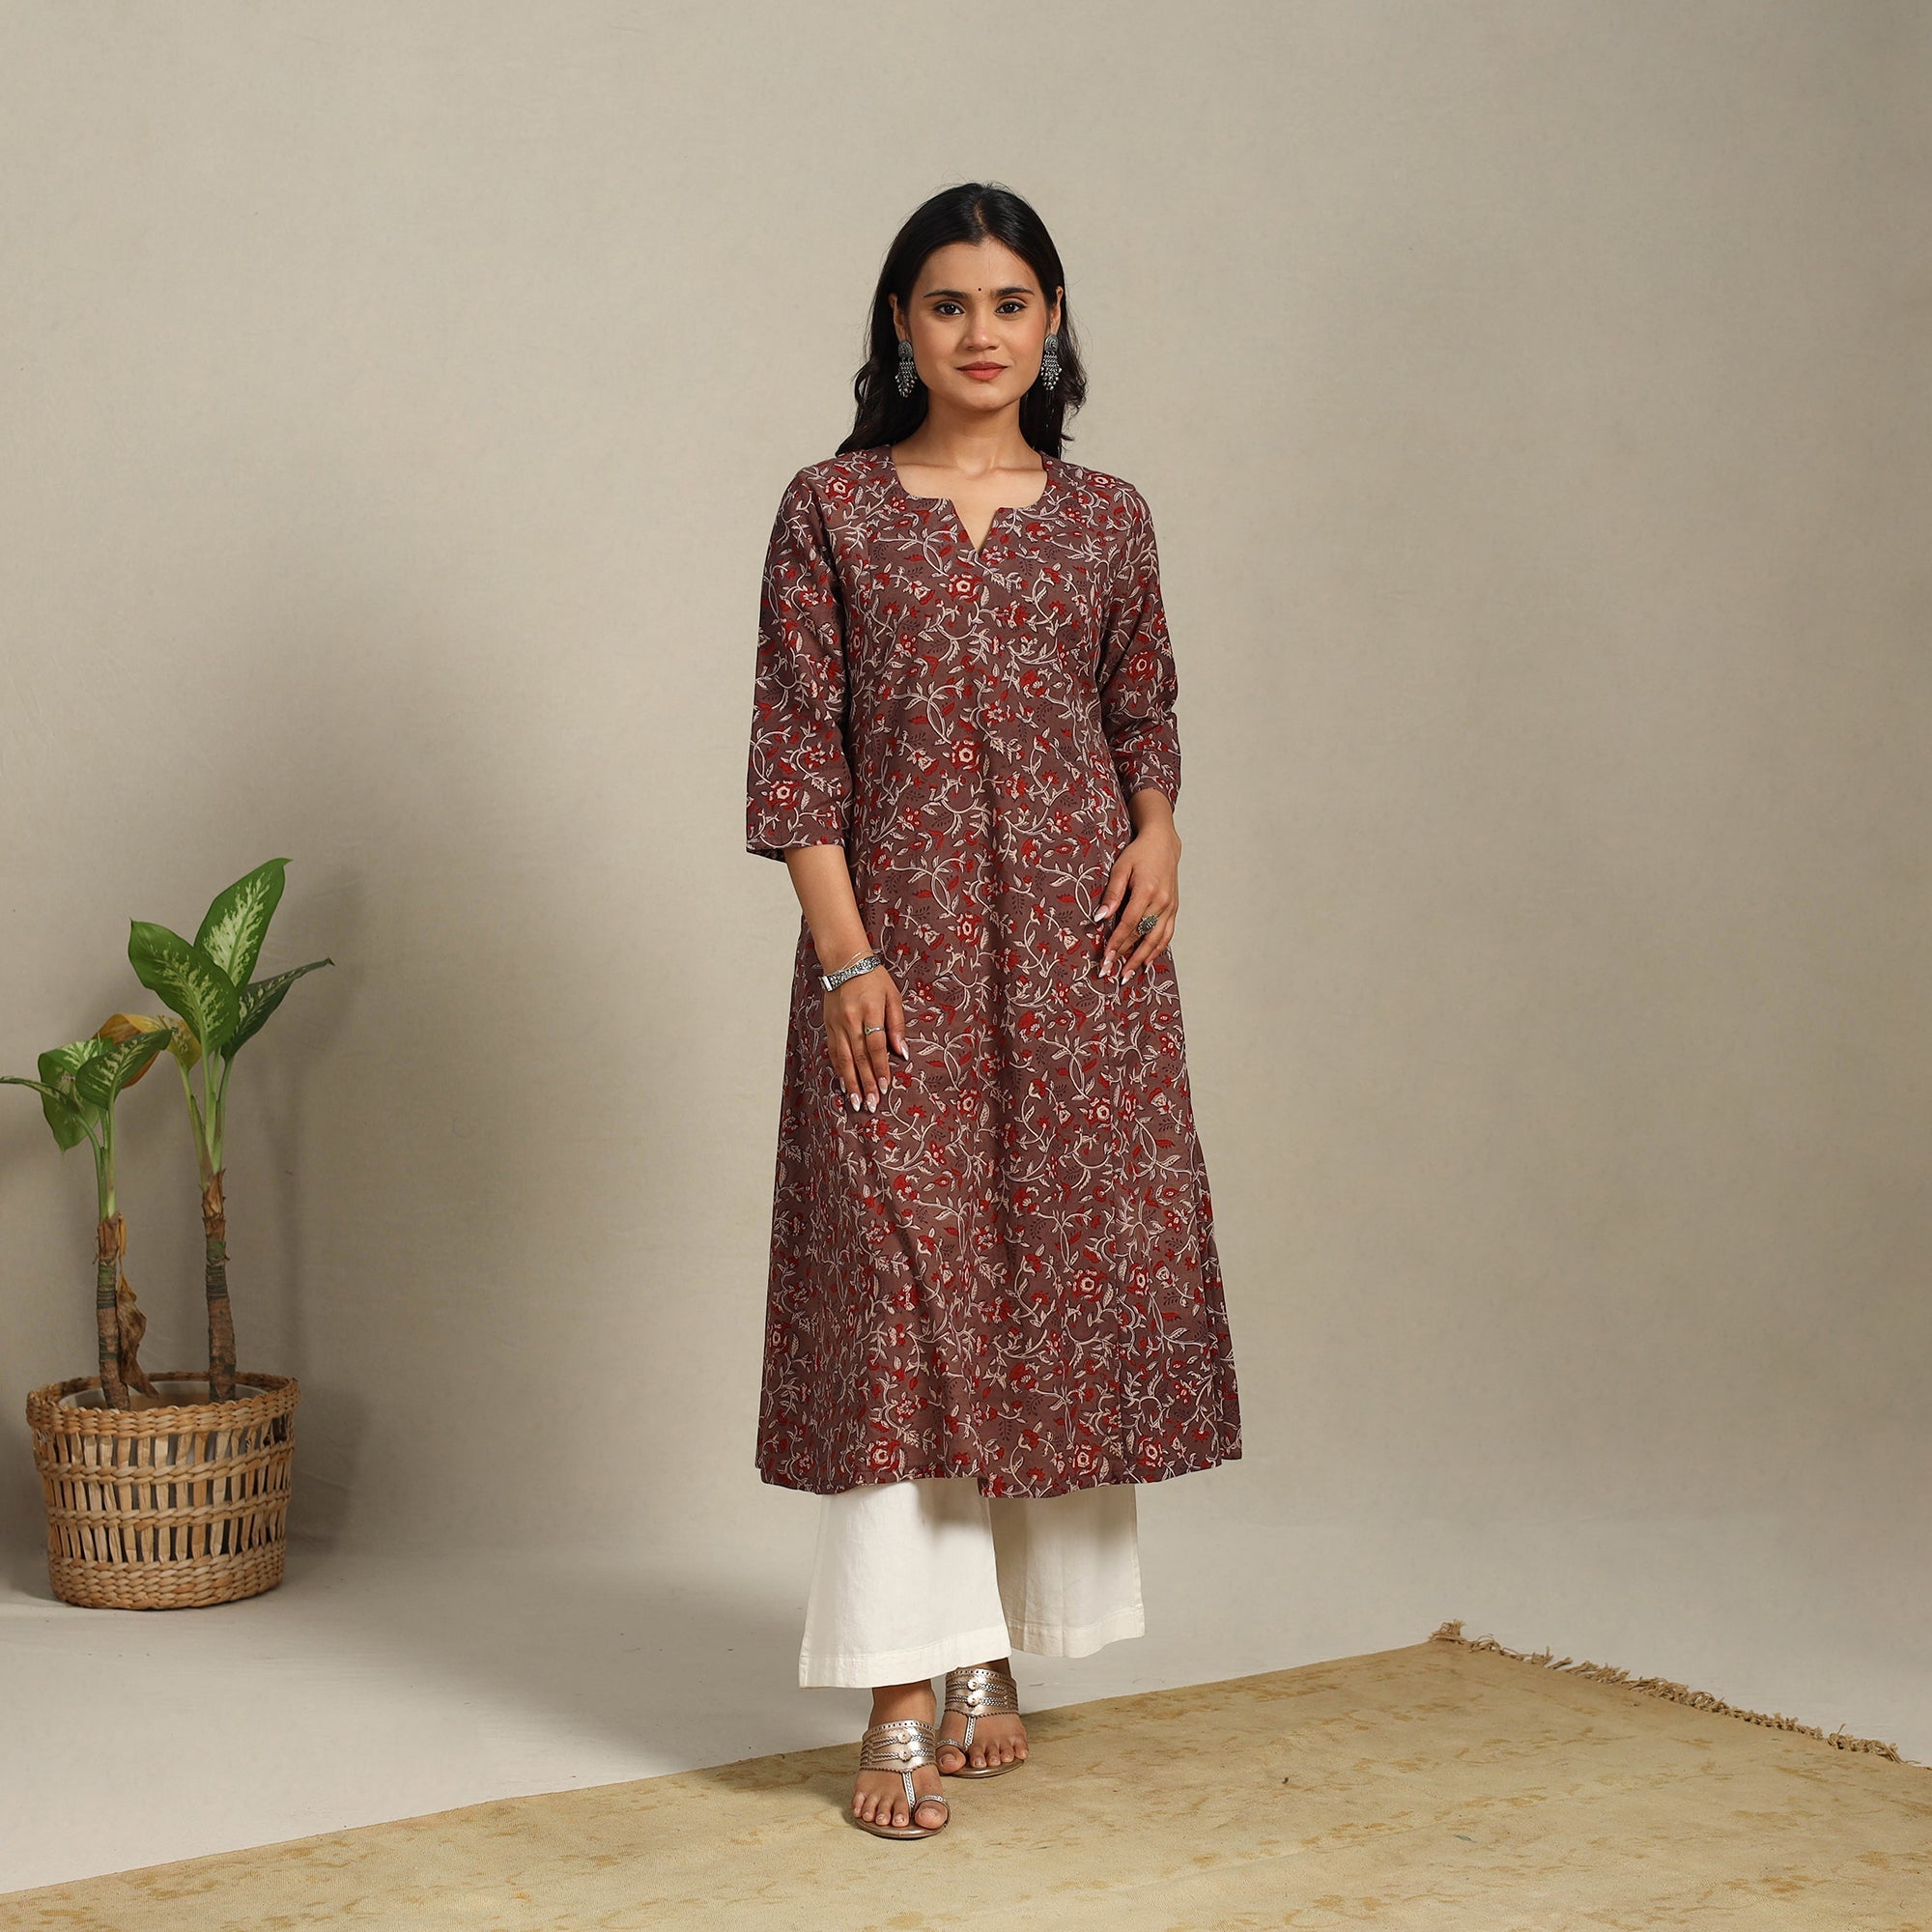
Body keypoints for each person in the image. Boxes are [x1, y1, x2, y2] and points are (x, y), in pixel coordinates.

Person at [744, 182, 1242, 1839]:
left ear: (1053, 322)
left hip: (1080, 968)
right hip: (895, 972)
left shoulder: (1106, 518)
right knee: (899, 1312)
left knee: (1036, 1295)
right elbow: (795, 752)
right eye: (948, 303)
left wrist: (1159, 832)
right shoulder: (830, 509)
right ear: (902, 325)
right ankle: (901, 1687)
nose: (980, 332)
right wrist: (847, 960)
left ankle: (984, 1650)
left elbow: (1143, 708)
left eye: (1010, 302)